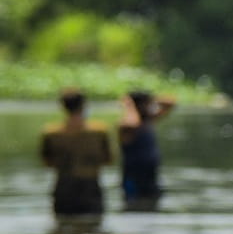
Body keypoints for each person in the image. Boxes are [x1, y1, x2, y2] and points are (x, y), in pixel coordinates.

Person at [39, 89, 114, 217]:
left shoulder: (51, 133)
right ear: (84, 105)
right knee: (94, 227)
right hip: (90, 186)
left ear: (62, 106)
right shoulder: (99, 131)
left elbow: (47, 162)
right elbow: (108, 159)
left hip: (64, 186)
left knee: (63, 226)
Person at [118, 89, 175, 209]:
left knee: (152, 208)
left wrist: (152, 99)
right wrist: (129, 105)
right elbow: (131, 123)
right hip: (133, 179)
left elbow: (171, 103)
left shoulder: (148, 120)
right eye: (147, 104)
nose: (151, 107)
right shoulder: (127, 126)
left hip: (150, 177)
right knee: (132, 210)